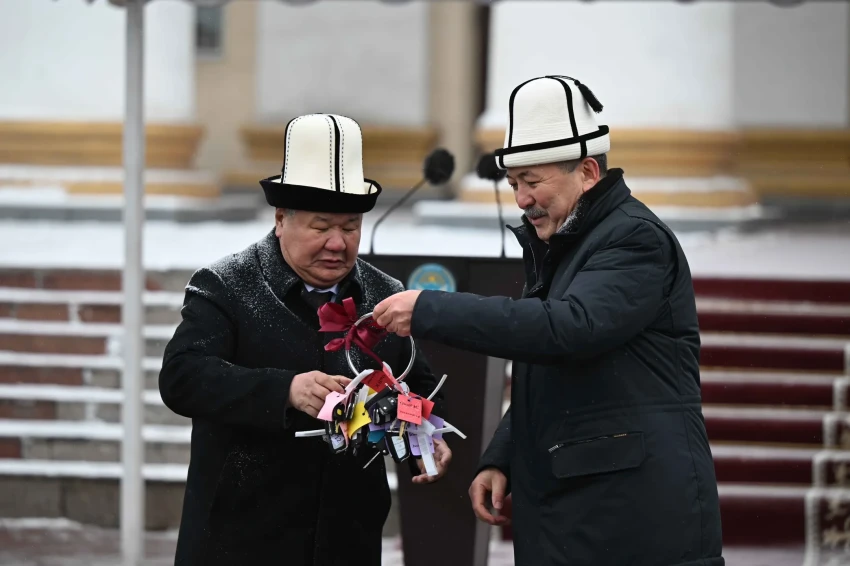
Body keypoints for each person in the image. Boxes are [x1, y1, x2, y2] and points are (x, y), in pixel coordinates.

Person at [373, 76, 723, 565]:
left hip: (634, 520)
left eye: (532, 182)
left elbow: (569, 329)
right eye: (514, 184)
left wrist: (431, 308)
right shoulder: (568, 242)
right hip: (582, 514)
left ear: (587, 171)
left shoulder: (632, 238)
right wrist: (504, 455)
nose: (521, 199)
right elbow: (556, 372)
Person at [159, 113, 450, 566]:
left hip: (346, 539)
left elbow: (421, 387)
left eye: (350, 227)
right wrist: (286, 390)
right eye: (321, 226)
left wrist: (428, 435)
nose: (337, 243)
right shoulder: (226, 285)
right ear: (281, 219)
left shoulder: (385, 295)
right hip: (241, 538)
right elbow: (182, 377)